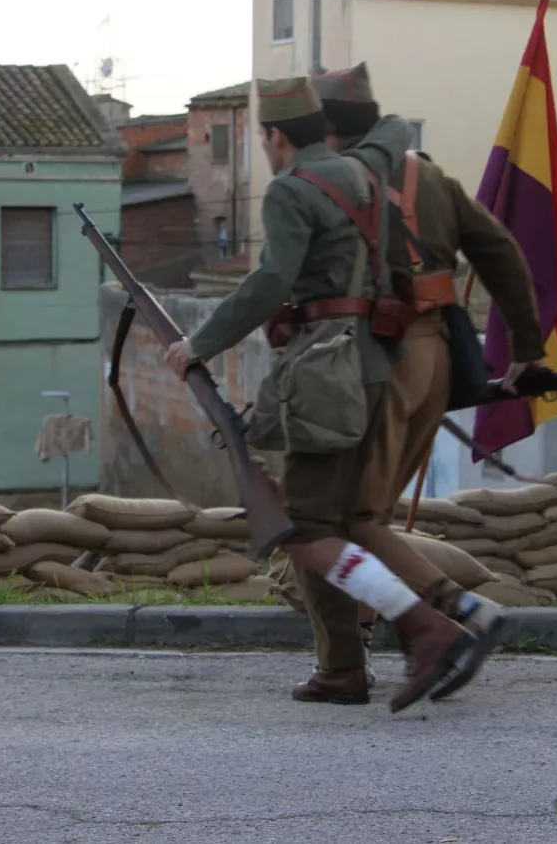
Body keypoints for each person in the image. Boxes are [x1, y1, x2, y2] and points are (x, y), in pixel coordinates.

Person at [163, 77, 479, 713]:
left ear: (276, 137)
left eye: (263, 138)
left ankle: (426, 626)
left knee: (303, 526)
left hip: (322, 370)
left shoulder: (289, 190)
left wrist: (201, 342)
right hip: (371, 364)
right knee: (330, 525)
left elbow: (273, 277)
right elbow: (392, 131)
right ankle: (342, 670)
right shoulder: (365, 174)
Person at [292, 62, 547, 705]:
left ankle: (452, 617)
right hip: (436, 359)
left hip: (374, 359)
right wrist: (526, 347)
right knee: (341, 520)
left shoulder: (336, 182)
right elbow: (499, 250)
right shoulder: (427, 176)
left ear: (323, 126)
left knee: (331, 520)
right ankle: (345, 663)